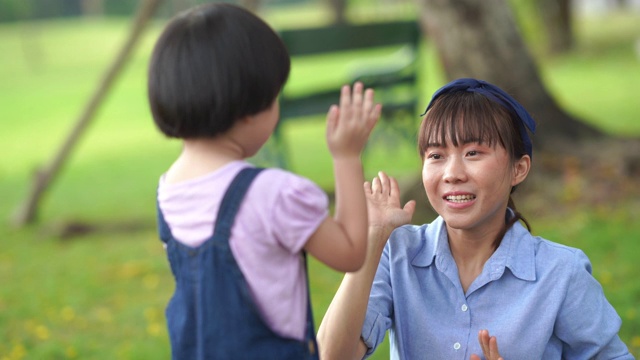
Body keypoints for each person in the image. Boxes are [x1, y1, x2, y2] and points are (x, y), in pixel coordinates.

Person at [317, 78, 634, 360]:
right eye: (436, 156)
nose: (452, 174)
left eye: (473, 153)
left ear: (518, 169)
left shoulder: (561, 275)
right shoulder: (395, 253)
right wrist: (372, 240)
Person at [147, 3, 381, 359]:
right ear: (246, 108)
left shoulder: (169, 192)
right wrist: (347, 157)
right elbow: (349, 252)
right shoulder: (272, 194)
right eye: (274, 98)